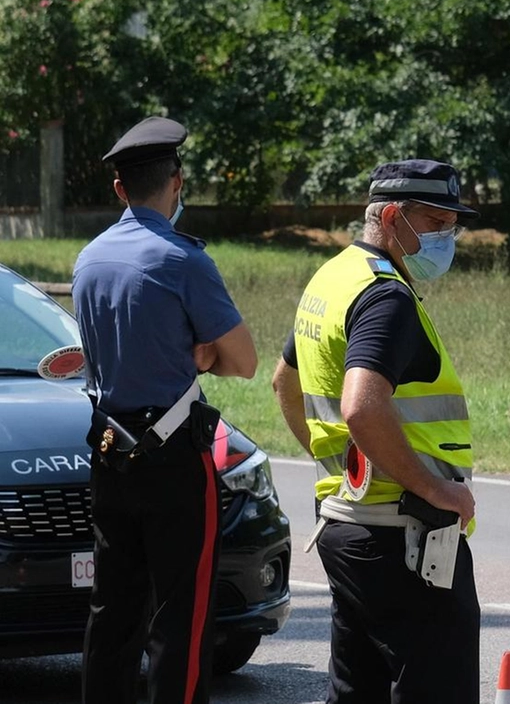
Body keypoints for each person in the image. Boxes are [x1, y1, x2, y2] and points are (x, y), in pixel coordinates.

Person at [272, 158, 480, 704]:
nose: (446, 238)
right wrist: (437, 488)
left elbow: (283, 385)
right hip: (403, 535)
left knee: (357, 692)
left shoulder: (333, 276)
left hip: (348, 527)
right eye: (435, 225)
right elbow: (362, 408)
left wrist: (342, 466)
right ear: (392, 217)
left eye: (450, 227)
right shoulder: (386, 297)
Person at [72, 116, 258, 704]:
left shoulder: (88, 259)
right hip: (173, 456)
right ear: (177, 183)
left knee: (113, 611)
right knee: (184, 616)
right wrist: (202, 355)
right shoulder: (183, 261)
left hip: (108, 451)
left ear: (119, 189)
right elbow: (245, 361)